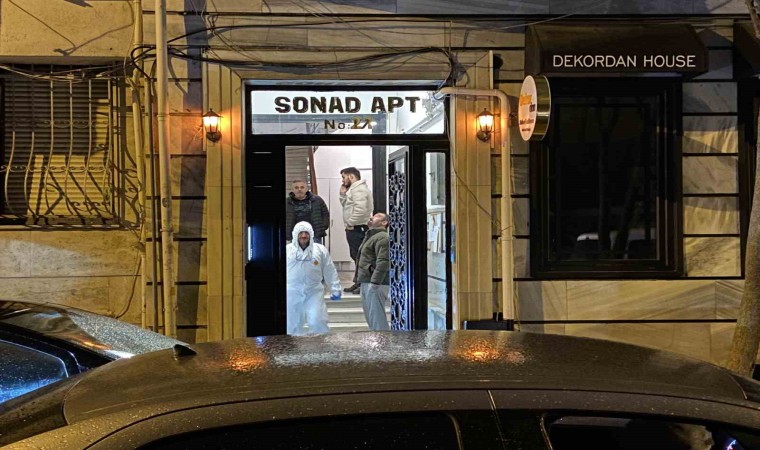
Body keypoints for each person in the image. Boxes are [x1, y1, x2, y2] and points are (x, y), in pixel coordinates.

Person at [286, 221, 342, 336]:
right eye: (300, 233)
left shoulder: (320, 250)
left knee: (318, 321)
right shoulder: (287, 250)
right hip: (292, 292)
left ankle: (320, 345)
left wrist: (335, 288)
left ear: (311, 234)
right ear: (295, 234)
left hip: (314, 292)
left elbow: (329, 270)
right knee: (292, 324)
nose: (303, 236)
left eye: (306, 233)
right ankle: (291, 345)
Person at [339, 167, 373, 294]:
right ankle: (359, 282)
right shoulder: (355, 190)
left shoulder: (359, 190)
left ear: (351, 177)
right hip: (355, 228)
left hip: (358, 228)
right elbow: (347, 206)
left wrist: (350, 223)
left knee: (361, 257)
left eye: (344, 177)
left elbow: (360, 210)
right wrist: (342, 195)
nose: (343, 180)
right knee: (356, 256)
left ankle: (363, 284)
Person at [355, 213, 390, 331]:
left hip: (375, 283)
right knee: (371, 318)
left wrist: (375, 282)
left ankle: (383, 341)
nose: (372, 217)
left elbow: (383, 261)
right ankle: (377, 340)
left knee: (377, 318)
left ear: (384, 222)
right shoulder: (371, 236)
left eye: (377, 216)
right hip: (367, 280)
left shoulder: (382, 237)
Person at [285, 179, 330, 244]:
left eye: (302, 187)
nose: (299, 189)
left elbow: (325, 214)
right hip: (295, 235)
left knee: (316, 250)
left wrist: (323, 226)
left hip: (314, 235)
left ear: (306, 189)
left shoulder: (317, 200)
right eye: (296, 187)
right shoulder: (287, 202)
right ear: (292, 190)